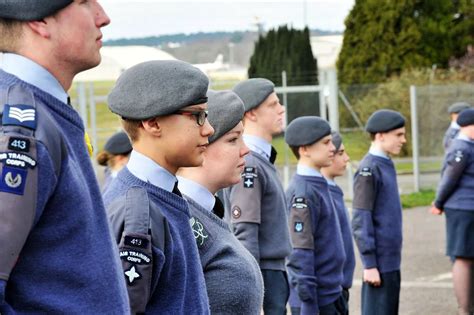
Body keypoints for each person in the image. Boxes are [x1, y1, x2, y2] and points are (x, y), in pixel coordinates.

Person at [0, 1, 130, 312]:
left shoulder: (43, 109)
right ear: (40, 20)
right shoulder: (20, 127)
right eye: (85, 3)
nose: (104, 17)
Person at [103, 60, 214, 314]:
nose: (209, 129)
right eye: (197, 116)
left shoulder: (162, 195)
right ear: (153, 124)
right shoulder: (138, 215)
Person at [177, 90, 264, 314]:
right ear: (200, 145)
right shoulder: (179, 217)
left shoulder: (207, 207)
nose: (246, 150)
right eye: (233, 139)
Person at [223, 78, 292, 314]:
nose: (281, 109)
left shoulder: (259, 159)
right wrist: (254, 292)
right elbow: (245, 230)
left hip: (271, 271)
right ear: (251, 114)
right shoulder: (250, 162)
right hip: (263, 273)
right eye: (273, 105)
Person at [285, 116, 347, 315]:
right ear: (304, 150)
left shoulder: (318, 184)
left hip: (331, 294)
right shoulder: (303, 192)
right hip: (316, 302)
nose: (332, 148)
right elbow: (300, 253)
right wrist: (308, 304)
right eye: (326, 143)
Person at [351, 109, 406, 315]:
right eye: (398, 135)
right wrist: (369, 263)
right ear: (381, 136)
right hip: (379, 263)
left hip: (390, 260)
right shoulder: (369, 169)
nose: (404, 140)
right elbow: (361, 218)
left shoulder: (385, 163)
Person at [430, 108, 474, 315]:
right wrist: (438, 202)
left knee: (467, 256)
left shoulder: (467, 146)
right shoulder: (460, 148)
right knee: (462, 257)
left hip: (467, 207)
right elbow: (449, 179)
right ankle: (464, 309)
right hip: (462, 208)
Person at [321, 131, 356, 312]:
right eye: (341, 153)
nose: (347, 159)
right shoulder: (321, 195)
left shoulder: (334, 191)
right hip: (329, 291)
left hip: (341, 288)